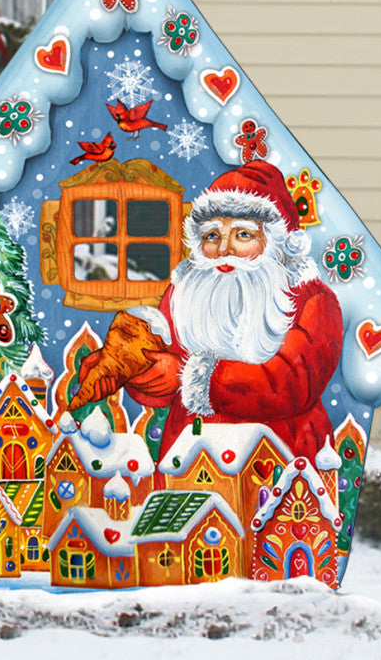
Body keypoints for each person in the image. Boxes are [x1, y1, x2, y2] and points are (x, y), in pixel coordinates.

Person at [73, 161, 343, 467]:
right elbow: (164, 376)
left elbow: (288, 385)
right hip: (189, 455)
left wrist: (192, 376)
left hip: (277, 459)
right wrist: (132, 367)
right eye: (212, 236)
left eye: (243, 235)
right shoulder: (187, 290)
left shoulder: (314, 301)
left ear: (276, 243)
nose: (224, 249)